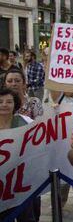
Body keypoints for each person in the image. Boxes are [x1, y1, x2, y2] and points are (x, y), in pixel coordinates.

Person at [0, 88, 40, 222]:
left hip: (22, 181)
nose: (4, 104)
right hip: (1, 184)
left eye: (9, 101)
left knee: (27, 217)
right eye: (0, 101)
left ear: (15, 104)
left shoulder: (25, 121)